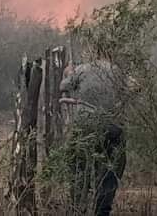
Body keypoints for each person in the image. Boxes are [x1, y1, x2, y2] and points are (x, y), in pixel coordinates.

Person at [60, 59, 127, 216]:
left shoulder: (83, 69)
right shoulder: (117, 70)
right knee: (110, 169)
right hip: (112, 127)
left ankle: (78, 208)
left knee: (78, 167)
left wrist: (69, 72)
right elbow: (131, 89)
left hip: (85, 126)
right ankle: (102, 211)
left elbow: (64, 86)